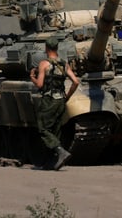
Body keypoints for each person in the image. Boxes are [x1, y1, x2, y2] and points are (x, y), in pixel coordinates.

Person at [29, 37, 79, 170]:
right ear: (57, 48)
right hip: (61, 101)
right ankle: (52, 162)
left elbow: (40, 85)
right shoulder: (64, 64)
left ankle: (60, 151)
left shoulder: (44, 64)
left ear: (46, 48)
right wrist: (67, 96)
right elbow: (75, 82)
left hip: (49, 100)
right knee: (56, 131)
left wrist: (32, 78)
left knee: (43, 129)